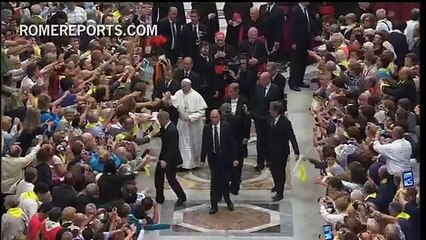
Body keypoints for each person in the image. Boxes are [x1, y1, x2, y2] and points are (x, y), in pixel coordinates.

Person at [201, 110, 238, 214]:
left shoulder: (226, 127)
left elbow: (232, 143)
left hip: (225, 159)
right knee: (214, 182)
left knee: (226, 181)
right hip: (213, 159)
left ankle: (228, 200)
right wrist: (202, 159)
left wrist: (235, 158)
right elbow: (204, 143)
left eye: (216, 117)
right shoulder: (207, 128)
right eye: (212, 117)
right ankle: (214, 205)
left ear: (219, 117)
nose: (214, 119)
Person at [165, 78, 208, 170]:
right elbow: (174, 101)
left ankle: (194, 162)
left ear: (189, 86)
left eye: (184, 86)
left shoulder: (196, 96)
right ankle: (185, 164)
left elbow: (201, 112)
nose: (182, 88)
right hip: (182, 123)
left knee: (195, 143)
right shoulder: (179, 93)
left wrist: (190, 118)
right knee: (183, 143)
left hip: (194, 124)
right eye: (182, 86)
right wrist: (168, 97)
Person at [266, 101, 300, 201]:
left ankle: (280, 193)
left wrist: (296, 151)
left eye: (271, 109)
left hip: (281, 152)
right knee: (273, 170)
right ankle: (277, 185)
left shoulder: (285, 122)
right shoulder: (270, 120)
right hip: (271, 150)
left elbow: (292, 137)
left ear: (276, 111)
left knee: (280, 172)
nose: (269, 111)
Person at [221, 83, 251, 195]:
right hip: (227, 137)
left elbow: (247, 122)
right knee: (228, 161)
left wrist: (246, 136)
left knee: (238, 161)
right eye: (228, 91)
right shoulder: (225, 101)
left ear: (237, 91)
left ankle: (235, 185)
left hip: (239, 136)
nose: (229, 94)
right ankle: (229, 180)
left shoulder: (244, 102)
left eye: (231, 91)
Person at [154, 111, 187, 206]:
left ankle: (181, 197)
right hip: (164, 158)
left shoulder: (172, 130)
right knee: (159, 178)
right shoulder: (167, 128)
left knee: (171, 179)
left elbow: (172, 148)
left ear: (163, 119)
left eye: (159, 120)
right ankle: (159, 198)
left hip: (169, 160)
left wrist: (166, 161)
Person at [252, 72, 283, 172]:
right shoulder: (257, 88)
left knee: (270, 140)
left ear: (268, 80)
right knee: (260, 141)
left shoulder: (276, 89)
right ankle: (260, 162)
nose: (260, 81)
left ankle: (269, 160)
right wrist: (254, 114)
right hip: (259, 119)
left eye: (262, 79)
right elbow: (254, 101)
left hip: (270, 119)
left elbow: (279, 103)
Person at [289, 2, 319, 91]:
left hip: (306, 41)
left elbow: (311, 24)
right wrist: (293, 42)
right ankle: (293, 83)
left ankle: (299, 81)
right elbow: (293, 27)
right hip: (297, 42)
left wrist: (317, 34)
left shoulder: (307, 11)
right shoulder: (295, 11)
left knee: (303, 62)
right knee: (295, 63)